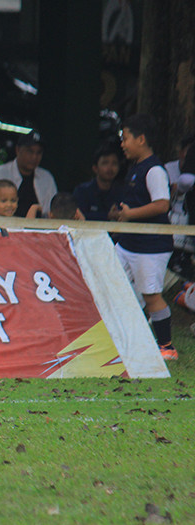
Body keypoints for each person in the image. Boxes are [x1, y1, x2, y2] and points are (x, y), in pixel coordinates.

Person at [109, 113, 176, 360]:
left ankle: (167, 347)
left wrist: (131, 214)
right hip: (128, 244)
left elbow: (162, 205)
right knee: (111, 285)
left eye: (125, 138)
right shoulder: (135, 169)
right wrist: (120, 215)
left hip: (151, 247)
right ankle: (124, 340)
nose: (122, 144)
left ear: (141, 139)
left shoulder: (155, 170)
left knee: (151, 295)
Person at [0, 130, 58, 217]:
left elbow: (51, 214)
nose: (34, 157)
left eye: (39, 152)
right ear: (18, 150)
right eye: (30, 151)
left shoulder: (47, 178)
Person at [73, 143, 126, 222]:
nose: (110, 168)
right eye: (105, 163)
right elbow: (78, 216)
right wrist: (107, 215)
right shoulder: (82, 191)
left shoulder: (123, 191)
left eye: (114, 163)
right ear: (95, 168)